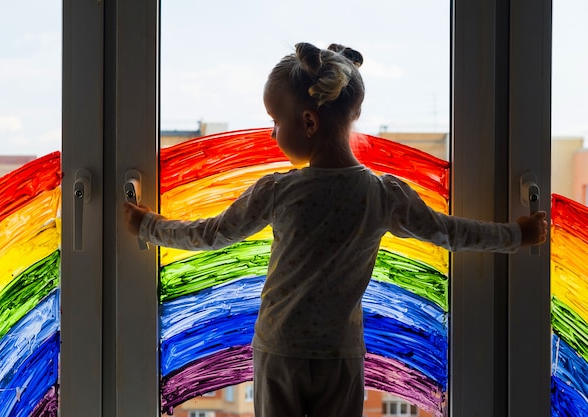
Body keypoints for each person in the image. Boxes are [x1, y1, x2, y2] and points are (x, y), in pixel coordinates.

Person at [124, 42, 548, 417]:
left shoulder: (278, 191)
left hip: (279, 352)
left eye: (275, 120)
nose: (273, 133)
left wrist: (148, 225)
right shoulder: (382, 195)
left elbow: (208, 235)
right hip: (340, 358)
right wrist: (519, 235)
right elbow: (450, 232)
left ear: (309, 123)